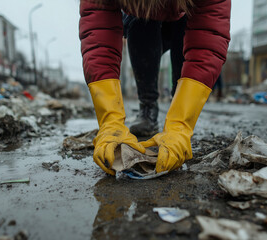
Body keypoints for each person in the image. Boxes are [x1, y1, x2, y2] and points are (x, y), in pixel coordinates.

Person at [79, 0, 231, 175]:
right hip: (140, 19)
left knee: (188, 32)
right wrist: (110, 121)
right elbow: (99, 36)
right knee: (139, 24)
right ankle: (148, 108)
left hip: (186, 15)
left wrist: (180, 124)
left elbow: (207, 40)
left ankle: (177, 112)